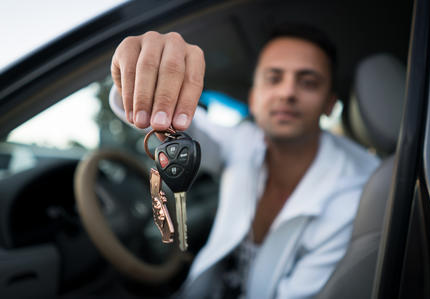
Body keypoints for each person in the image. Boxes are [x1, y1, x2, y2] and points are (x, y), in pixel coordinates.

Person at [109, 24, 379, 298]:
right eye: (274, 78)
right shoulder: (242, 140)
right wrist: (140, 83)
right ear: (253, 97)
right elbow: (182, 130)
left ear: (330, 104)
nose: (287, 92)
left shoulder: (356, 193)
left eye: (308, 82)